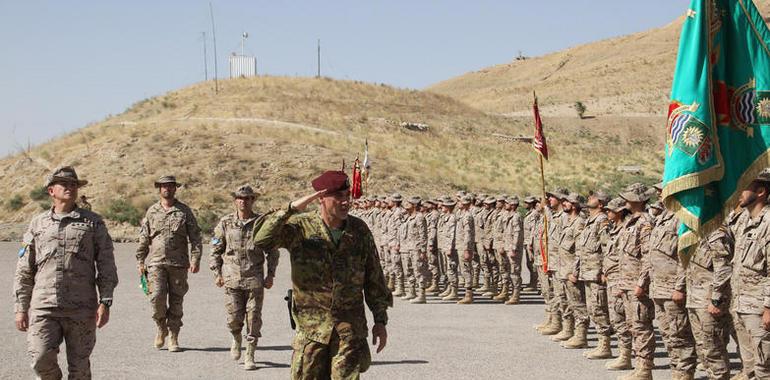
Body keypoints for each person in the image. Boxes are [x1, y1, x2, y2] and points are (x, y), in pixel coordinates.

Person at [252, 170, 392, 379]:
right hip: (312, 330)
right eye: (339, 197)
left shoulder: (359, 230)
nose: (345, 202)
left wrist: (380, 320)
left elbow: (374, 277)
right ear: (321, 199)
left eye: (348, 196)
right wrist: (290, 209)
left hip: (349, 329)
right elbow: (262, 239)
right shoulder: (301, 227)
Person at [14, 166, 118, 379]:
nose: (70, 187)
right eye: (64, 184)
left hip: (80, 308)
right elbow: (25, 269)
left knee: (79, 369)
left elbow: (106, 264)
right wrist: (21, 307)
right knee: (40, 359)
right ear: (51, 190)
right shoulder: (38, 223)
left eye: (73, 184)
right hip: (44, 306)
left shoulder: (93, 222)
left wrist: (105, 302)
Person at [209, 185, 279, 370]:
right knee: (234, 318)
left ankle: (250, 354)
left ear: (252, 201)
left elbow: (272, 251)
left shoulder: (261, 223)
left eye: (247, 198)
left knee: (254, 318)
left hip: (254, 279)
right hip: (231, 278)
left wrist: (271, 275)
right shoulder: (225, 222)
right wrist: (216, 273)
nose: (243, 201)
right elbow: (215, 249)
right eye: (240, 198)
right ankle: (236, 337)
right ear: (235, 200)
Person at [136, 175, 202, 352]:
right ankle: (160, 327)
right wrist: (140, 260)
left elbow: (195, 237)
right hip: (156, 263)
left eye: (171, 186)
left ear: (175, 189)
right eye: (164, 186)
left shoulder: (184, 211)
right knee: (156, 297)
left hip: (178, 264)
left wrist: (195, 259)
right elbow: (144, 237)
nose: (167, 189)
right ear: (159, 189)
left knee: (176, 301)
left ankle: (173, 336)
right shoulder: (152, 211)